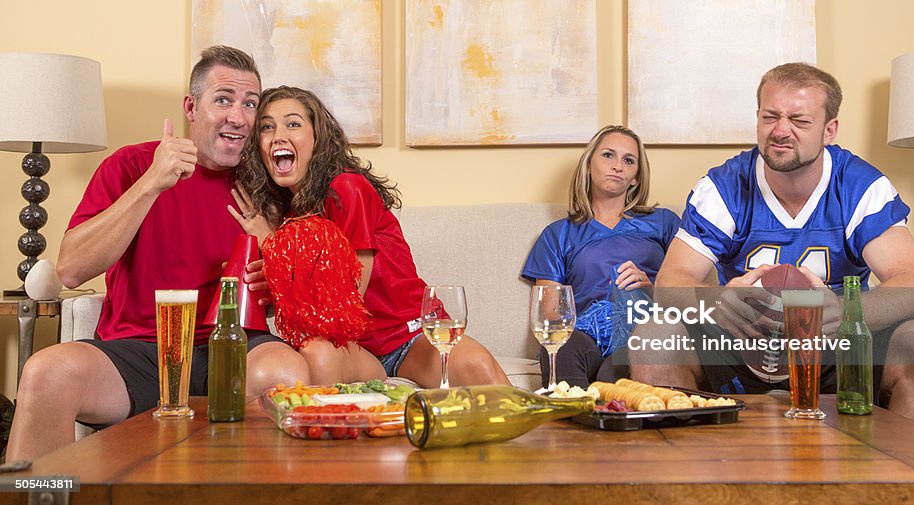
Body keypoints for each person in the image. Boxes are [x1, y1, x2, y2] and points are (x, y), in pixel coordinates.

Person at [7, 46, 310, 461]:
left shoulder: (269, 184)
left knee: (287, 371)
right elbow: (72, 269)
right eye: (223, 99)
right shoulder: (131, 166)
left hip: (237, 346)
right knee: (46, 372)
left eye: (250, 104)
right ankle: (42, 492)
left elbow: (302, 293)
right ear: (191, 106)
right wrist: (152, 183)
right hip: (139, 351)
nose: (238, 117)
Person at [634, 63, 914, 433]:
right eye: (769, 116)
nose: (780, 130)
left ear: (830, 130)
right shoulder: (725, 185)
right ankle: (681, 489)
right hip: (741, 344)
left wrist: (841, 310)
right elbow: (670, 282)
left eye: (799, 120)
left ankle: (905, 489)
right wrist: (717, 304)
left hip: (836, 351)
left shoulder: (860, 186)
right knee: (653, 337)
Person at [233, 85, 510, 387]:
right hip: (357, 349)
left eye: (293, 123)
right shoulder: (282, 215)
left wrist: (272, 244)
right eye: (267, 127)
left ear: (317, 138)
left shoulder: (346, 188)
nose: (279, 135)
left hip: (411, 337)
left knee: (478, 367)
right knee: (317, 352)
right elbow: (299, 313)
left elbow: (349, 298)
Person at [521, 125, 680, 387]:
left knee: (616, 370)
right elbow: (549, 317)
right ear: (589, 164)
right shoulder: (558, 234)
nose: (618, 165)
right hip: (587, 337)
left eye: (628, 160)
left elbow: (690, 291)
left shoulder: (664, 223)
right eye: (608, 155)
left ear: (636, 178)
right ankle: (573, 414)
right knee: (562, 347)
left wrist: (652, 289)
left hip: (646, 329)